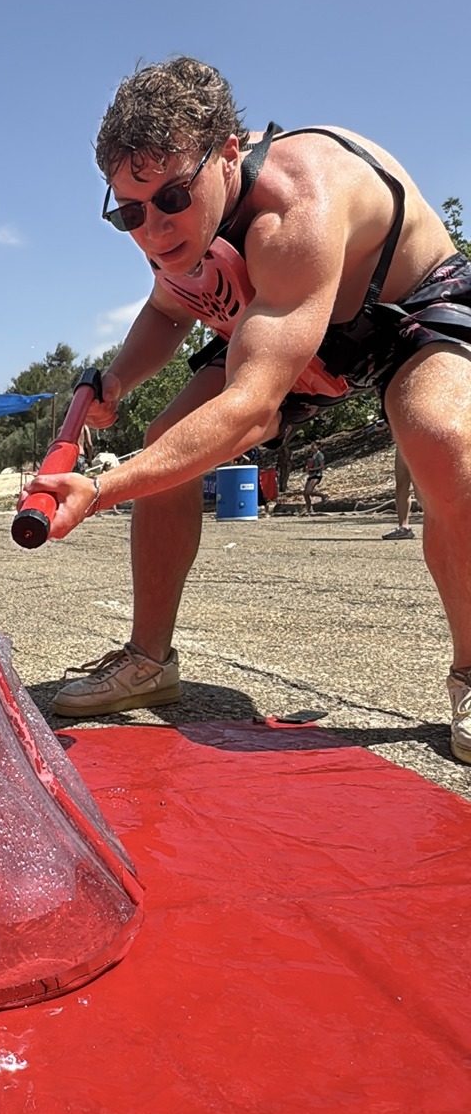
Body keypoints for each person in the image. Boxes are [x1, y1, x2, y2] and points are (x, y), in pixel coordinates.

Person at [29, 56, 471, 765]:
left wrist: (101, 489)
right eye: (129, 212)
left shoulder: (296, 208)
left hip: (403, 308)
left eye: (173, 198)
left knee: (441, 437)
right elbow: (170, 305)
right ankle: (149, 660)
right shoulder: (168, 222)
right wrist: (115, 379)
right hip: (282, 316)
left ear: (229, 151)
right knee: (166, 442)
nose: (153, 228)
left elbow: (250, 410)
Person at [385, 446, 417, 540]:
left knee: (422, 487)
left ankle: (440, 527)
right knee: (402, 484)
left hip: (424, 441)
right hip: (404, 442)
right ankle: (403, 527)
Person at [302, 443, 326, 517]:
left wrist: (313, 469)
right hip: (311, 474)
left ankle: (323, 495)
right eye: (311, 447)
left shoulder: (320, 455)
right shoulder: (312, 455)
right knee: (305, 493)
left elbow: (322, 466)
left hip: (317, 474)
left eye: (314, 447)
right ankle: (308, 509)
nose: (312, 448)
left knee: (309, 491)